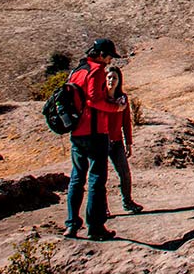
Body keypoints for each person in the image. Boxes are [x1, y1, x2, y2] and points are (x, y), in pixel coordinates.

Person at [64, 38, 126, 241]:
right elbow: (93, 99)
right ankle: (95, 226)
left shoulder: (77, 70)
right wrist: (116, 108)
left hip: (76, 131)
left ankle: (72, 224)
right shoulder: (96, 70)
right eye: (108, 56)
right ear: (100, 54)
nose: (109, 61)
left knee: (76, 178)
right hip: (95, 130)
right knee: (96, 179)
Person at [105, 66, 144, 215]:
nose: (111, 80)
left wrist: (129, 142)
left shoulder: (122, 99)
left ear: (119, 80)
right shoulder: (101, 99)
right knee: (101, 177)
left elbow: (126, 122)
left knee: (125, 173)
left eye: (114, 78)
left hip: (116, 141)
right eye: (109, 77)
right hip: (101, 141)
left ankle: (127, 201)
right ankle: (103, 208)